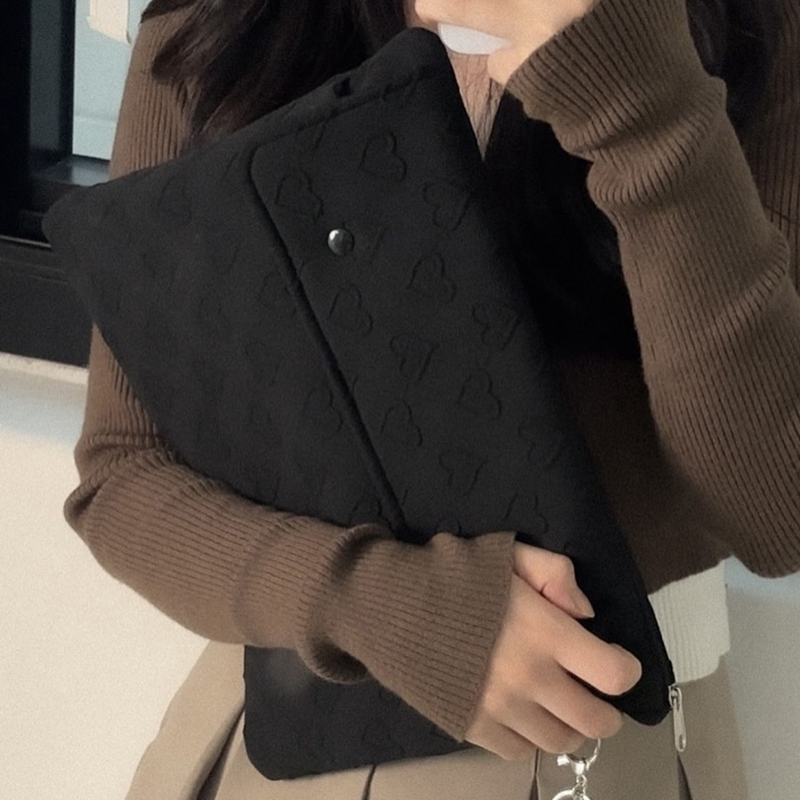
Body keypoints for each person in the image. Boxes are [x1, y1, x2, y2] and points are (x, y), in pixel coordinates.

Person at [63, 0, 800, 797]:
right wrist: (382, 607)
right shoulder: (229, 17)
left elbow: (773, 513)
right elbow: (123, 470)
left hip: (593, 740)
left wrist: (639, 104)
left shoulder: (748, 22)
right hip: (287, 717)